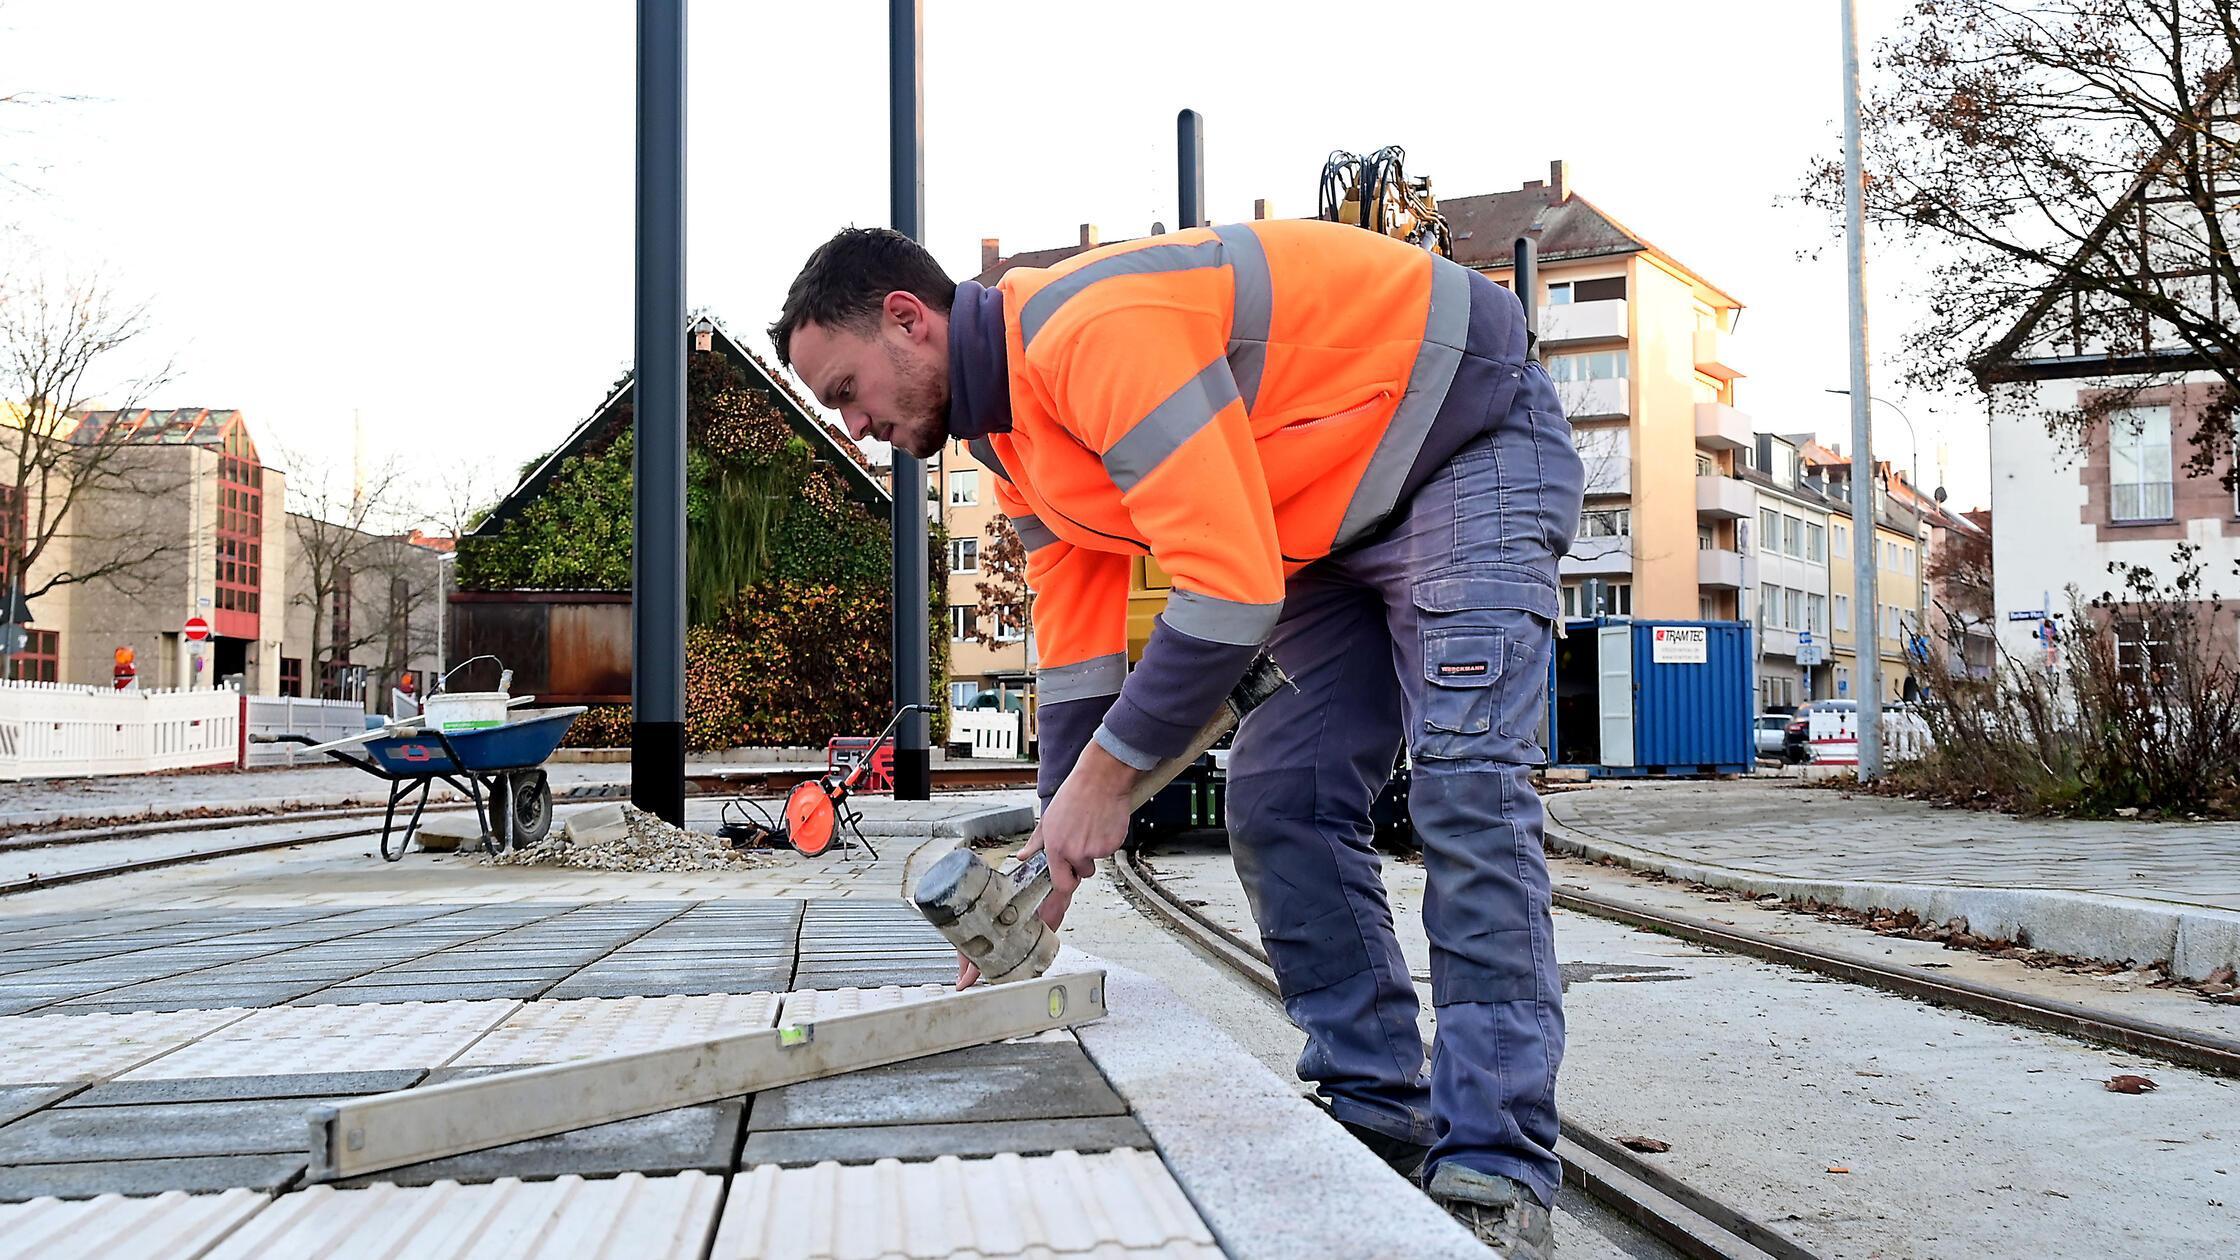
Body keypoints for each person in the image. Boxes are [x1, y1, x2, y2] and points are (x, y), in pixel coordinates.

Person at [771, 220, 1582, 1256]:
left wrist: (1109, 785)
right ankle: (1378, 1106)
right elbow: (1074, 642)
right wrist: (1047, 857)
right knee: (1280, 800)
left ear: (905, 321)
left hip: (1459, 446)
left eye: (845, 390)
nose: (852, 424)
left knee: (1466, 790)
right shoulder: (1006, 441)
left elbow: (1229, 587)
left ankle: (1492, 1165)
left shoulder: (1085, 332)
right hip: (1315, 520)